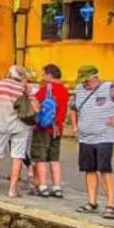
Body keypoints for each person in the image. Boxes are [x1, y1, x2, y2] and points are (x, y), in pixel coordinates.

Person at [68, 65, 114, 218]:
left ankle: (110, 204)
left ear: (95, 77)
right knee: (89, 170)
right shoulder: (79, 90)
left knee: (105, 170)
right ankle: (92, 202)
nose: (85, 84)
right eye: (83, 81)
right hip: (85, 137)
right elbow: (73, 108)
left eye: (87, 81)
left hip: (104, 137)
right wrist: (75, 126)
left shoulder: (110, 88)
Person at [0, 64, 34, 197]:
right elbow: (36, 107)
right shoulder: (24, 88)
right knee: (17, 156)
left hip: (0, 123)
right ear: (22, 77)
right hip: (20, 125)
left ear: (8, 74)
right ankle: (12, 189)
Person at [30, 64, 70, 198]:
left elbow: (35, 103)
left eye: (44, 74)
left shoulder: (46, 89)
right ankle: (57, 186)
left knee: (41, 157)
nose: (42, 77)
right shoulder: (64, 90)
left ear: (49, 75)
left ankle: (42, 186)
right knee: (54, 158)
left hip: (43, 127)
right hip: (57, 128)